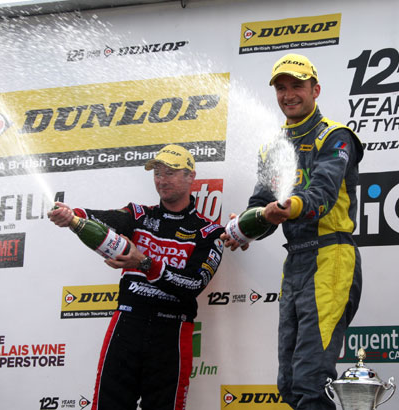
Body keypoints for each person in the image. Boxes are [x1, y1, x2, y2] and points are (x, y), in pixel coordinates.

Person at [221, 53, 363, 410]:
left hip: (331, 257)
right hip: (296, 260)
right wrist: (244, 228)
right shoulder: (273, 146)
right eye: (281, 88)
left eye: (297, 86)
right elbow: (261, 204)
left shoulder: (336, 137)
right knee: (288, 382)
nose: (288, 95)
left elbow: (323, 195)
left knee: (312, 379)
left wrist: (287, 207)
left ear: (315, 89)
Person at [48, 144, 225, 410]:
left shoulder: (209, 232)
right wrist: (73, 215)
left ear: (191, 176)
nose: (162, 180)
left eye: (170, 173)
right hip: (128, 323)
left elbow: (193, 284)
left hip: (172, 331)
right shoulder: (138, 214)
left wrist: (144, 263)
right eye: (157, 173)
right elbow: (105, 218)